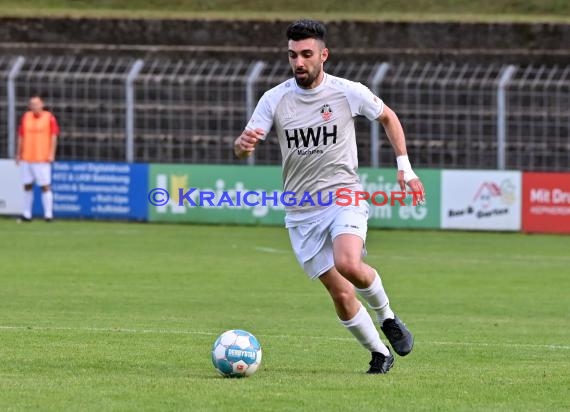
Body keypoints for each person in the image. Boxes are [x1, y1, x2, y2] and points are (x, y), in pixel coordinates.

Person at [234, 19, 425, 374]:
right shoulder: (274, 99)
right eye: (293, 55)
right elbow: (245, 145)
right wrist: (242, 147)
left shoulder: (347, 92)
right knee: (340, 293)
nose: (299, 62)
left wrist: (405, 167)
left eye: (307, 54)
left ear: (324, 55)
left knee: (348, 263)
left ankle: (388, 318)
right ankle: (380, 354)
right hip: (301, 212)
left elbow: (388, 117)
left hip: (344, 197)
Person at [16, 95, 59, 222]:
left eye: (37, 104)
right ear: (29, 106)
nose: (35, 106)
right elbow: (21, 136)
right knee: (27, 185)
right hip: (27, 157)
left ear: (42, 105)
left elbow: (53, 136)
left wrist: (51, 153)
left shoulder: (49, 117)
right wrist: (18, 153)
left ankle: (48, 215)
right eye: (32, 104)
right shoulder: (26, 117)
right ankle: (26, 214)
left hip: (42, 158)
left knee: (45, 186)